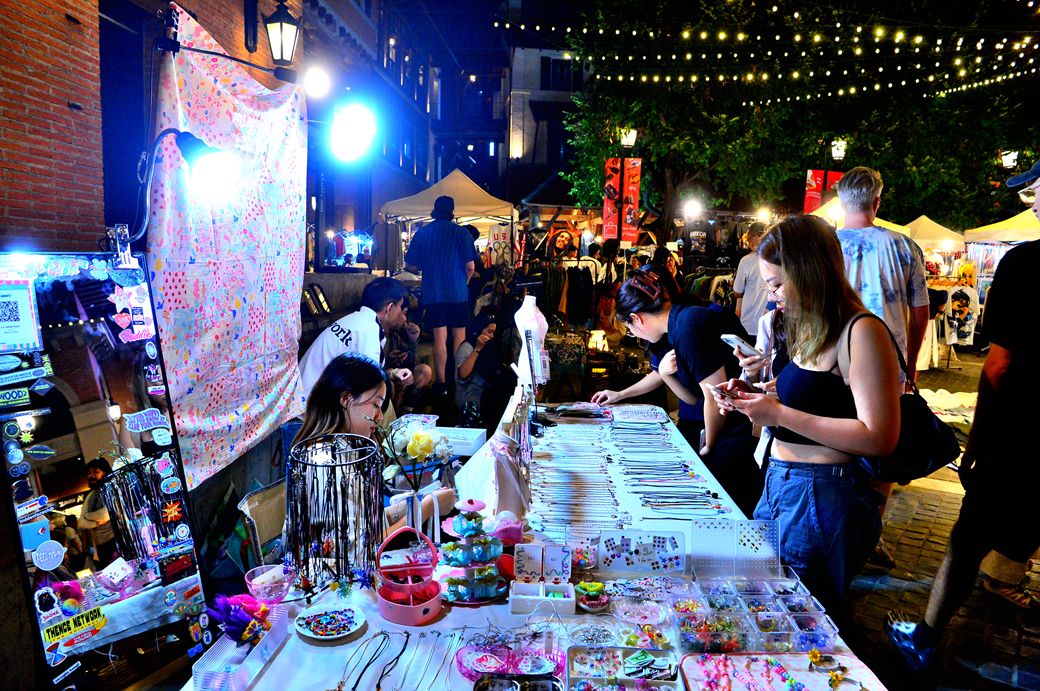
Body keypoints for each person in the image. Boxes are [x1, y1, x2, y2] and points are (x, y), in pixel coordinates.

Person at [885, 163, 1040, 678]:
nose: (1032, 203)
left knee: (969, 537)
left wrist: (977, 442)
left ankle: (927, 637)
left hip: (1023, 436)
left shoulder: (1027, 264)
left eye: (1036, 192)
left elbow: (998, 365)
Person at [713, 215, 898, 625]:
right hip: (780, 483)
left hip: (822, 494)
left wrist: (777, 412)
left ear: (809, 273)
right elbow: (813, 401)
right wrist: (753, 396)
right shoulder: (810, 326)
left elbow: (879, 436)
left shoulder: (862, 331)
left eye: (777, 284)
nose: (771, 295)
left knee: (806, 619)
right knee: (767, 607)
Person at [834, 166, 930, 569]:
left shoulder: (825, 245)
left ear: (841, 202)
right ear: (877, 202)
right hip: (888, 365)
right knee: (883, 451)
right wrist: (911, 365)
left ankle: (841, 530)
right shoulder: (904, 246)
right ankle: (871, 533)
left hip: (833, 363)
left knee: (837, 446)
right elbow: (920, 312)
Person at [615, 266, 761, 516]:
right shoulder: (678, 326)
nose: (635, 335)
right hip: (729, 423)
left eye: (630, 329)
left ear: (637, 318)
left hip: (739, 428)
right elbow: (694, 398)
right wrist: (665, 374)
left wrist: (709, 446)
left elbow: (715, 395)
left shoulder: (689, 326)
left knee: (729, 509)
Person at [405, 196, 476, 397]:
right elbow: (470, 267)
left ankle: (441, 384)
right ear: (452, 211)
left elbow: (413, 266)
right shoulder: (462, 233)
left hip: (433, 292)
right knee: (459, 338)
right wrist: (464, 283)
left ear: (434, 210)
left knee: (439, 338)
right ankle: (459, 380)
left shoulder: (423, 233)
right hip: (458, 293)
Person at [298, 277, 412, 401]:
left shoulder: (354, 319)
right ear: (389, 308)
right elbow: (371, 385)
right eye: (400, 307)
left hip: (300, 398)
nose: (401, 314)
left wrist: (394, 372)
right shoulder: (369, 330)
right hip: (312, 406)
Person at [293, 352, 392, 444]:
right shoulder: (323, 454)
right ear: (345, 399)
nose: (380, 417)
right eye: (376, 405)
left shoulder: (350, 446)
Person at [455, 313, 517, 434]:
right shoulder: (467, 347)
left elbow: (493, 366)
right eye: (489, 332)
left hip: (485, 387)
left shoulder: (489, 346)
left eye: (493, 332)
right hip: (470, 393)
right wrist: (477, 348)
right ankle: (495, 434)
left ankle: (502, 431)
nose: (491, 336)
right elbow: (463, 373)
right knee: (501, 396)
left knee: (510, 386)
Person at [384, 315, 433, 413]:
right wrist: (388, 360)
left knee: (424, 371)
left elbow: (412, 363)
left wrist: (412, 341)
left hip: (397, 375)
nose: (405, 319)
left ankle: (405, 413)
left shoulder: (396, 335)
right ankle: (390, 417)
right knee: (393, 384)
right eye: (402, 314)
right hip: (384, 377)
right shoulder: (377, 333)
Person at [79, 457, 117, 569]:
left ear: (104, 473)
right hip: (100, 545)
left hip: (114, 540)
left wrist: (87, 516)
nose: (91, 476)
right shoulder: (90, 495)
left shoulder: (110, 489)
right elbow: (81, 523)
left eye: (96, 472)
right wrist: (96, 523)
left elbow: (105, 514)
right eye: (89, 473)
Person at [733, 222, 769, 338]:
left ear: (756, 237)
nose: (748, 244)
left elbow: (737, 291)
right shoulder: (778, 259)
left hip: (750, 323)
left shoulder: (746, 261)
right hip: (770, 325)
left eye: (748, 240)